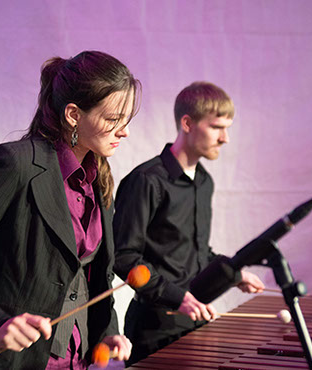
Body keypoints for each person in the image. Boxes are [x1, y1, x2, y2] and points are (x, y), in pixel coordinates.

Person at [0, 50, 140, 369]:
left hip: (79, 360)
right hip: (10, 361)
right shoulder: (14, 166)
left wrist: (107, 331)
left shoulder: (98, 179)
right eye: (113, 120)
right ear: (73, 114)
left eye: (126, 121)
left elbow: (91, 276)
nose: (124, 131)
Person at [113, 81, 265, 365]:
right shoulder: (146, 180)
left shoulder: (204, 182)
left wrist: (234, 275)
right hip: (153, 327)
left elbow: (195, 251)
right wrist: (176, 297)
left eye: (227, 128)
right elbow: (123, 257)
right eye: (217, 127)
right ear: (187, 123)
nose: (225, 138)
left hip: (194, 320)